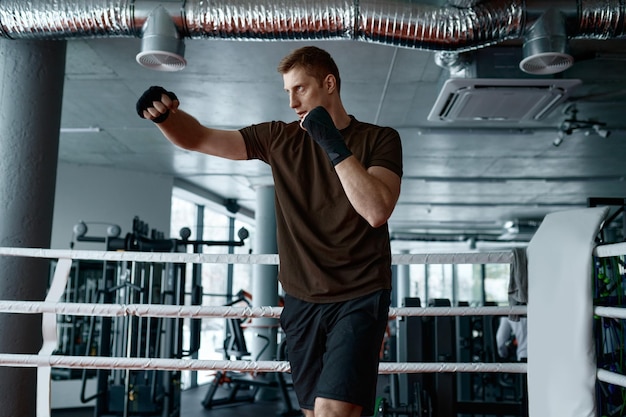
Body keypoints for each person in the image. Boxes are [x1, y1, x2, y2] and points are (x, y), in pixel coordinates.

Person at [136, 46, 403, 417]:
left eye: (301, 89)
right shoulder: (280, 138)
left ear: (330, 84)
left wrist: (332, 143)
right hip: (301, 300)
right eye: (287, 92)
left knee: (332, 411)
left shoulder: (380, 139)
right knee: (315, 413)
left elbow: (376, 210)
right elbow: (198, 137)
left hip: (359, 296)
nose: (292, 102)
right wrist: (165, 117)